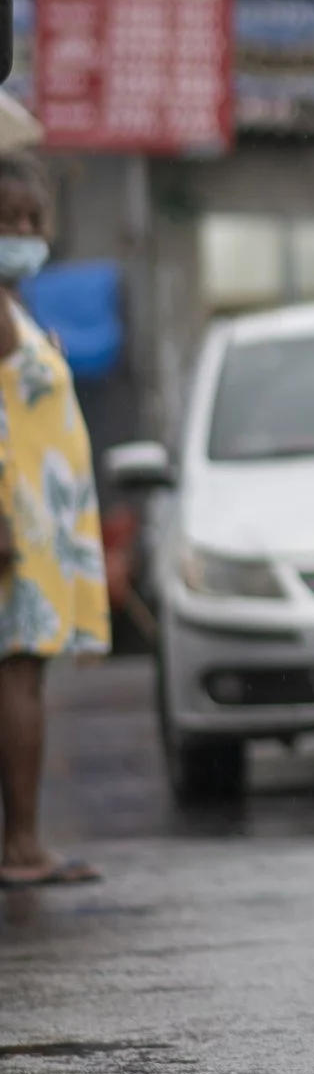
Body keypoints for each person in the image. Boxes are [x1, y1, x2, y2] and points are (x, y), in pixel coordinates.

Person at [0, 154, 109, 888]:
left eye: (34, 218)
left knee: (21, 675)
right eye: (9, 217)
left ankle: (20, 842)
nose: (26, 231)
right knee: (19, 678)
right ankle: (24, 844)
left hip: (33, 521)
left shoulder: (13, 304)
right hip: (15, 522)